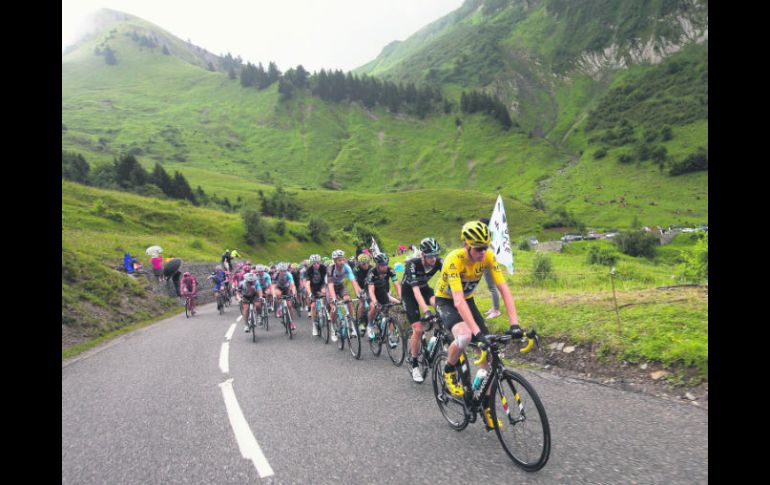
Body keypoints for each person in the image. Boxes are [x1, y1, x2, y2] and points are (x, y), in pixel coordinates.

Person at [434, 220, 523, 430]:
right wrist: (477, 334)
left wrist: (515, 324)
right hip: (446, 300)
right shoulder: (454, 260)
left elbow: (504, 288)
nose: (483, 252)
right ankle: (449, 369)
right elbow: (457, 301)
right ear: (466, 245)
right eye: (479, 248)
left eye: (487, 247)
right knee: (465, 336)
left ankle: (485, 406)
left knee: (490, 357)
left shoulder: (488, 256)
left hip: (469, 300)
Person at [403, 237, 443, 382]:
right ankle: (414, 364)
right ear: (423, 255)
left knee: (441, 308)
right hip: (410, 293)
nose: (434, 259)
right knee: (418, 329)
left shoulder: (438, 262)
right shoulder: (412, 264)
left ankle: (436, 336)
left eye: (436, 255)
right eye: (430, 256)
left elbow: (451, 278)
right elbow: (415, 292)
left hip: (425, 289)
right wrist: (426, 311)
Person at [327, 249, 363, 343]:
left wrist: (358, 294)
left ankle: (351, 323)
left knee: (348, 300)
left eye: (343, 259)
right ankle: (333, 328)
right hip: (330, 287)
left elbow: (353, 281)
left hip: (340, 285)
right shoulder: (330, 269)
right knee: (334, 307)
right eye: (340, 260)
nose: (342, 262)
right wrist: (334, 299)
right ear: (335, 261)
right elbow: (330, 286)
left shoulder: (346, 267)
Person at [365, 252, 402, 340]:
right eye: (382, 265)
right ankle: (369, 325)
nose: (385, 266)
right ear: (377, 265)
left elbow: (397, 285)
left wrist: (401, 297)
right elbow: (371, 290)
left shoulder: (390, 270)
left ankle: (391, 334)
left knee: (388, 311)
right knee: (373, 307)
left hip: (382, 291)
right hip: (370, 291)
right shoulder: (372, 273)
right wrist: (375, 302)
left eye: (386, 264)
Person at [479, 217, 501, 319]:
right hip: (487, 263)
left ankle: (496, 310)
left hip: (489, 263)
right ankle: (494, 308)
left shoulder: (487, 237)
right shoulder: (488, 236)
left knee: (492, 287)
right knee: (491, 287)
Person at [305, 254, 328, 336]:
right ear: (311, 263)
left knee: (324, 293)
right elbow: (307, 283)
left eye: (317, 263)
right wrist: (310, 293)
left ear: (320, 262)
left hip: (322, 285)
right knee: (313, 306)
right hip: (313, 287)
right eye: (314, 263)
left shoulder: (323, 268)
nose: (316, 265)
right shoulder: (309, 270)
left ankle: (324, 307)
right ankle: (314, 325)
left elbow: (328, 279)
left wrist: (326, 288)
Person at [272, 262, 298, 331]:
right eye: (281, 271)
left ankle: (291, 322)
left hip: (286, 289)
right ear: (278, 270)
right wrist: (274, 295)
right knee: (278, 293)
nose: (283, 272)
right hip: (279, 288)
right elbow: (273, 286)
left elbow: (292, 285)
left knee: (289, 305)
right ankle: (279, 308)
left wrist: (294, 293)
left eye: (284, 271)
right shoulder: (275, 275)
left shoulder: (289, 274)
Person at [353, 253, 372, 333]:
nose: (366, 265)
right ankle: (360, 322)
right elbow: (355, 282)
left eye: (368, 262)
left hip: (369, 287)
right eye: (364, 263)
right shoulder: (356, 269)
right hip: (360, 287)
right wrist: (359, 292)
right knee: (362, 303)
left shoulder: (371, 268)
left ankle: (371, 320)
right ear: (360, 263)